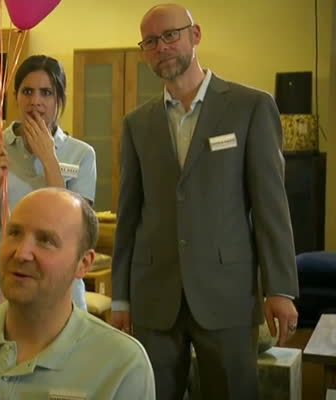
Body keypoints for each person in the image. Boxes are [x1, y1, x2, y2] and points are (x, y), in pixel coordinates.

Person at [111, 4, 300, 399]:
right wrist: (121, 297)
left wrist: (280, 288)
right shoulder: (136, 124)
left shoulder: (250, 107)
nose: (161, 47)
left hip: (227, 294)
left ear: (195, 35)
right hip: (154, 297)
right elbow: (129, 216)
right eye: (150, 42)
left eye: (170, 35)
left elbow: (271, 207)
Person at [0, 188, 155, 399]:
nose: (21, 254)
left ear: (83, 263)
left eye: (46, 240)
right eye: (14, 233)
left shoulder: (122, 365)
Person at [0, 55, 97, 310]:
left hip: (59, 295)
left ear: (59, 99)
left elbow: (78, 232)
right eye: (27, 91)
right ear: (16, 97)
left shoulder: (81, 154)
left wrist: (49, 159)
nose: (36, 101)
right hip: (0, 293)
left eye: (46, 92)